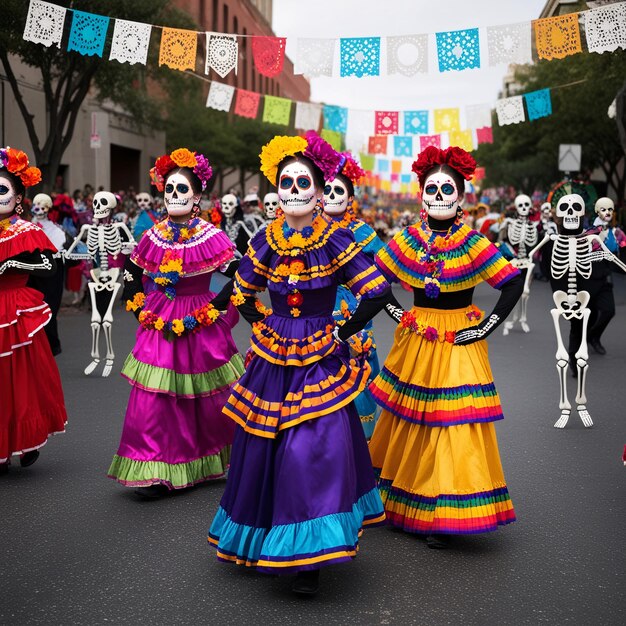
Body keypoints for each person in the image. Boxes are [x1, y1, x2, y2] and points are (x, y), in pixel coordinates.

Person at [208, 132, 390, 596]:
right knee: (263, 444)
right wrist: (259, 324)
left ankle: (308, 554)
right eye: (285, 182)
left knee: (312, 444)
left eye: (301, 181)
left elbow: (376, 293)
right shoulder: (266, 239)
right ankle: (268, 535)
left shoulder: (336, 239)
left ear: (318, 187)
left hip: (320, 349)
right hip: (274, 352)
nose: (292, 190)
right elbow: (240, 291)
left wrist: (341, 333)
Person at [368, 146, 523, 548]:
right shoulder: (407, 241)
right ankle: (405, 500)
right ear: (421, 195)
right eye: (431, 189)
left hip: (459, 336)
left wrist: (486, 326)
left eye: (446, 189)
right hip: (418, 335)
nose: (438, 196)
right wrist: (396, 313)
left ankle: (446, 511)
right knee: (412, 416)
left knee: (455, 418)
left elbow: (511, 282)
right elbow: (374, 280)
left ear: (460, 196)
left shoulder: (472, 242)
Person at [108, 148, 244, 498]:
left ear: (197, 195)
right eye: (169, 190)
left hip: (199, 319)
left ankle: (209, 459)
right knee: (153, 395)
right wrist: (139, 307)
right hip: (159, 317)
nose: (173, 196)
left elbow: (241, 275)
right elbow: (132, 271)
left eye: (181, 190)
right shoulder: (153, 235)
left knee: (206, 397)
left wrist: (215, 306)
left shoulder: (210, 236)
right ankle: (153, 467)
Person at [0, 147, 67, 473]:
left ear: (18, 196)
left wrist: (10, 263)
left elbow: (47, 264)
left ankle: (25, 439)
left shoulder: (26, 231)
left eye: (2, 190)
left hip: (17, 311)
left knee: (22, 379)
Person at [322, 152, 384, 438]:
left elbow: (383, 273)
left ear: (350, 199)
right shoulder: (307, 230)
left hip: (353, 310)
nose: (331, 196)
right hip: (318, 309)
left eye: (339, 191)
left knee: (357, 369)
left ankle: (362, 444)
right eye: (327, 190)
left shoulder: (364, 233)